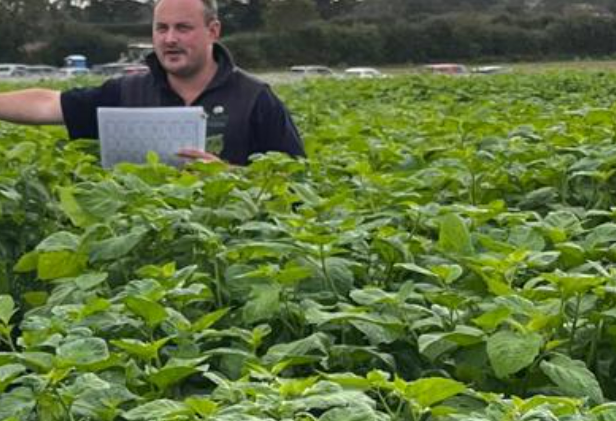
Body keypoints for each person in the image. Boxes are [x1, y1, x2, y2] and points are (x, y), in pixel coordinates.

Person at [0, 0, 305, 166]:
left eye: (183, 28)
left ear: (213, 31)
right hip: (147, 261)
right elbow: (49, 104)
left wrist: (228, 178)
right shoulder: (127, 91)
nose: (169, 38)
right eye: (161, 28)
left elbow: (298, 182)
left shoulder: (255, 98)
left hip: (229, 262)